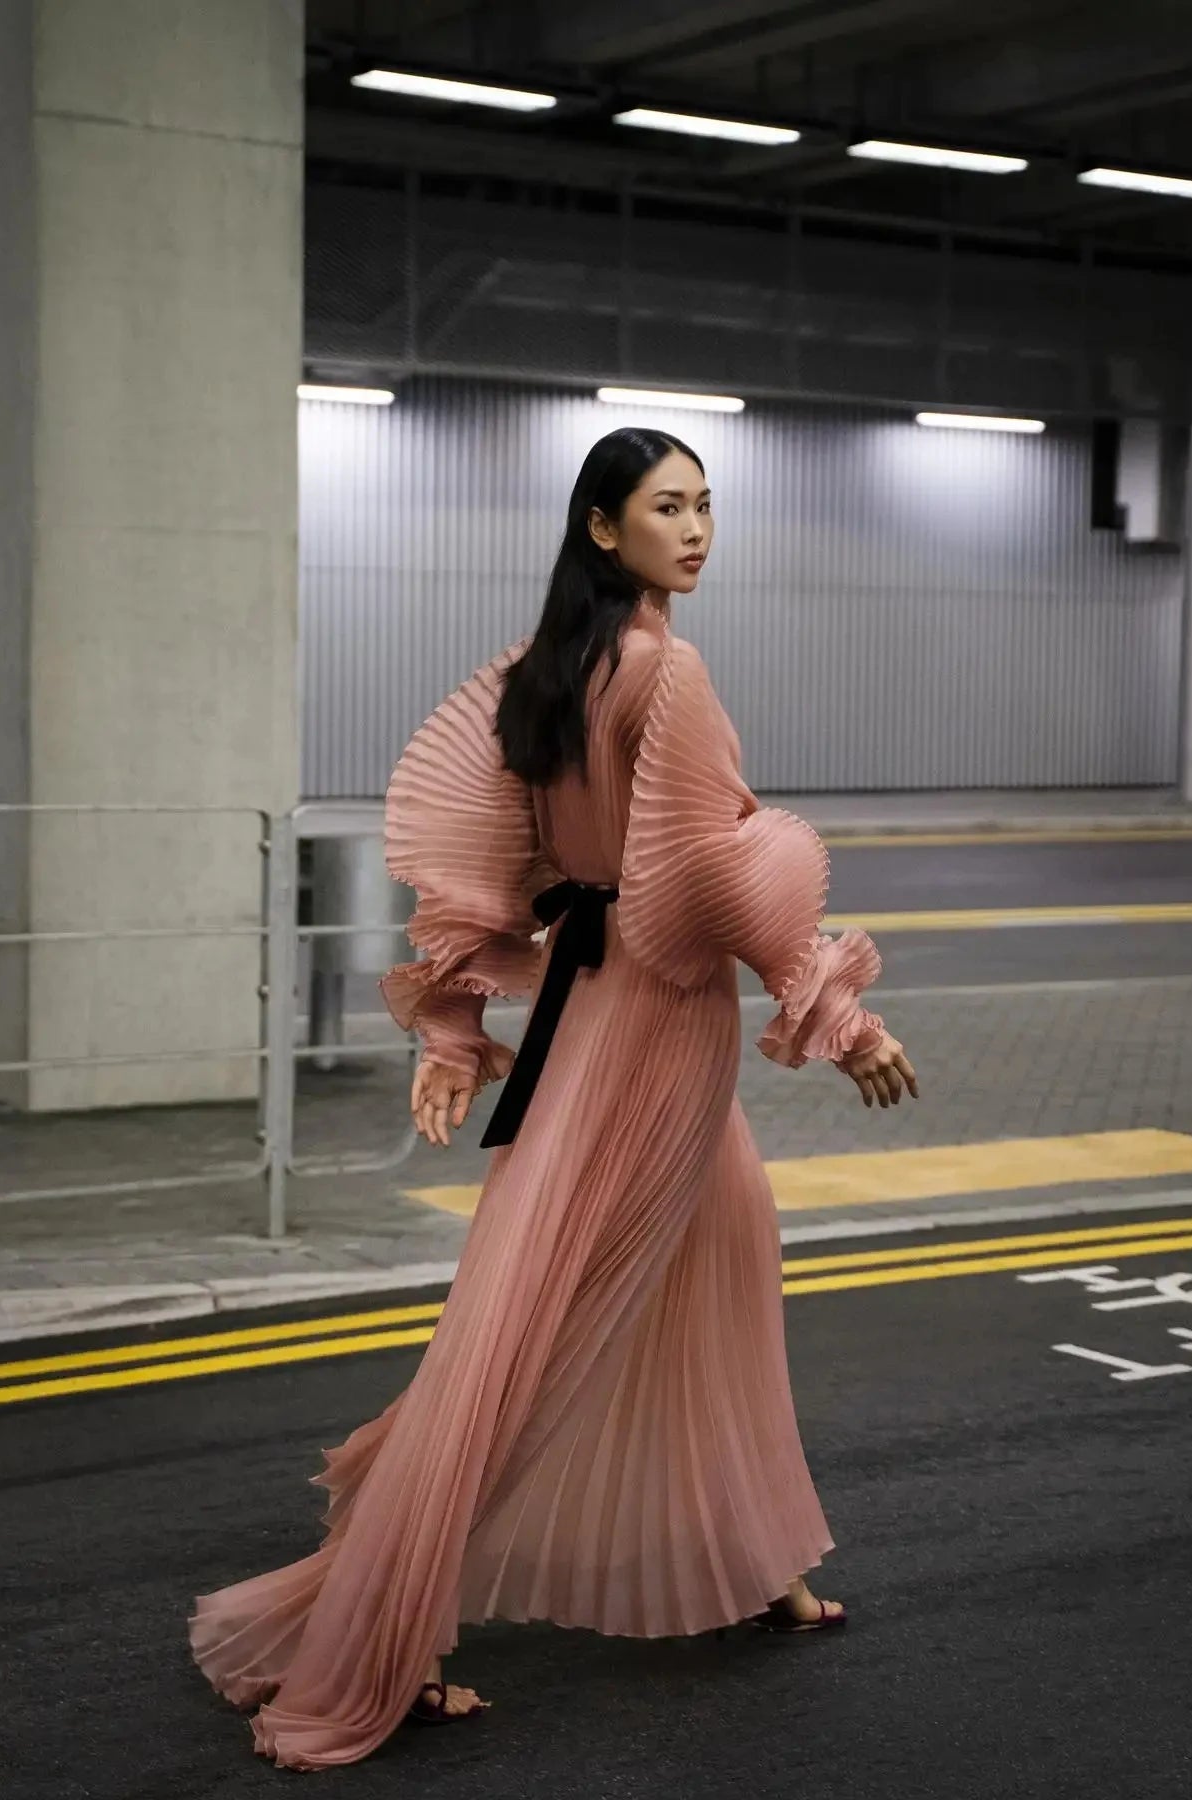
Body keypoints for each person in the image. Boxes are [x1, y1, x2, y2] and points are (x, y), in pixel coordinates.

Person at [187, 424, 918, 1770]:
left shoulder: (547, 676)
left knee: (720, 1259)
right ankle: (383, 1643)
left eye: (707, 507)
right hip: (658, 1024)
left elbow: (487, 862)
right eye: (665, 509)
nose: (696, 531)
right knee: (536, 1335)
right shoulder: (666, 671)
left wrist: (457, 1028)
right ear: (602, 529)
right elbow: (711, 875)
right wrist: (840, 1014)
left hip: (589, 1013)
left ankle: (760, 1568)